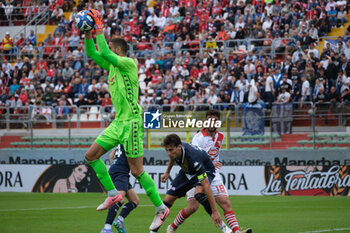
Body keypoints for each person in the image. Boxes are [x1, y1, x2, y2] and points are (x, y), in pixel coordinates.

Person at [83, 9, 169, 231]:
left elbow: (102, 49)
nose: (107, 51)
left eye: (111, 48)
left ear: (118, 50)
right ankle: (113, 195)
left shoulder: (128, 63)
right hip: (118, 123)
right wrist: (86, 32)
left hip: (132, 122)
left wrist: (98, 24)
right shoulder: (112, 67)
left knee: (137, 171)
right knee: (91, 155)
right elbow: (93, 53)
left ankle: (161, 208)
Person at [166, 110, 252, 233]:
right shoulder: (198, 138)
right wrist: (210, 163)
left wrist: (212, 165)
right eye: (210, 120)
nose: (212, 123)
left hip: (213, 174)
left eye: (215, 120)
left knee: (225, 202)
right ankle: (172, 228)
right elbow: (194, 157)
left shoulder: (220, 136)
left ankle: (236, 231)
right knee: (193, 207)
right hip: (196, 173)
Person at [151, 133, 231, 233]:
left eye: (170, 150)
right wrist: (167, 172)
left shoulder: (193, 158)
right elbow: (172, 157)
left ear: (179, 147)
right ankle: (153, 232)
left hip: (205, 170)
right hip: (187, 172)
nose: (168, 153)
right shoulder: (175, 151)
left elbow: (206, 184)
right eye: (166, 150)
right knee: (167, 201)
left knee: (199, 194)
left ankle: (224, 228)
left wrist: (215, 211)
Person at [101, 144, 139, 233]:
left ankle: (119, 220)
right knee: (119, 199)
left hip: (118, 172)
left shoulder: (122, 142)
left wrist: (114, 167)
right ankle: (106, 228)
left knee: (135, 201)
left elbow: (111, 155)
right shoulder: (131, 142)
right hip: (121, 173)